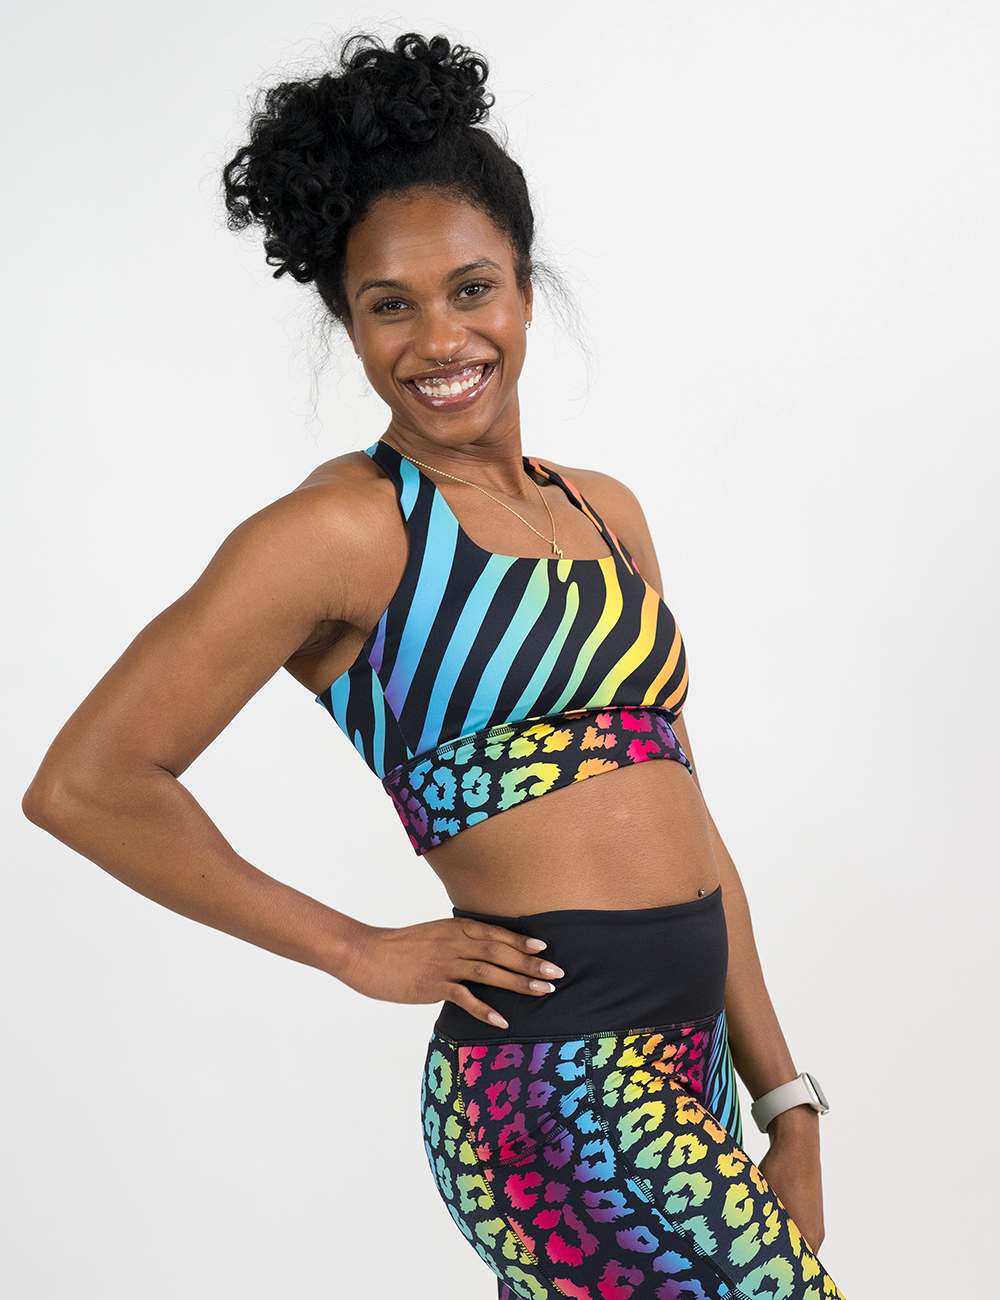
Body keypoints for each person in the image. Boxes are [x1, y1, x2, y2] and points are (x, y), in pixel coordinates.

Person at [23, 32, 844, 1300]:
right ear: (345, 323)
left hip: (690, 1067)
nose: (437, 337)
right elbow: (86, 784)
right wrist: (357, 949)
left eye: (471, 288)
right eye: (386, 304)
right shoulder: (345, 531)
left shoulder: (608, 513)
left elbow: (691, 823)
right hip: (550, 1079)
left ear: (524, 285)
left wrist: (782, 1092)